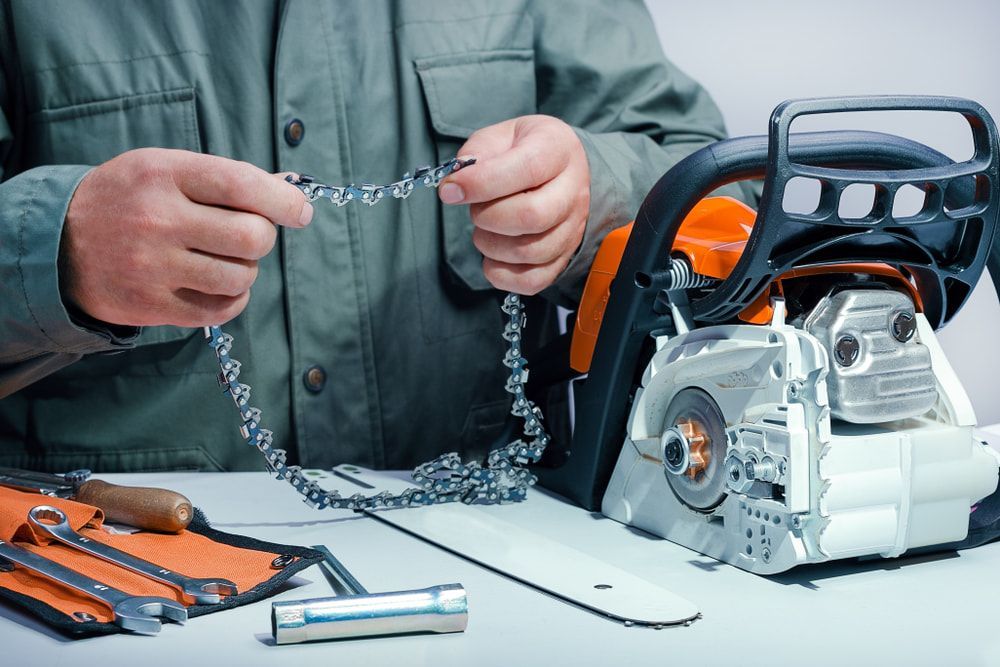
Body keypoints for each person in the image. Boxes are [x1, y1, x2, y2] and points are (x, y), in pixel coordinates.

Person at [0, 1, 753, 473]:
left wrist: (596, 191)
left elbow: (721, 184)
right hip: (106, 577)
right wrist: (54, 250)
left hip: (500, 564)